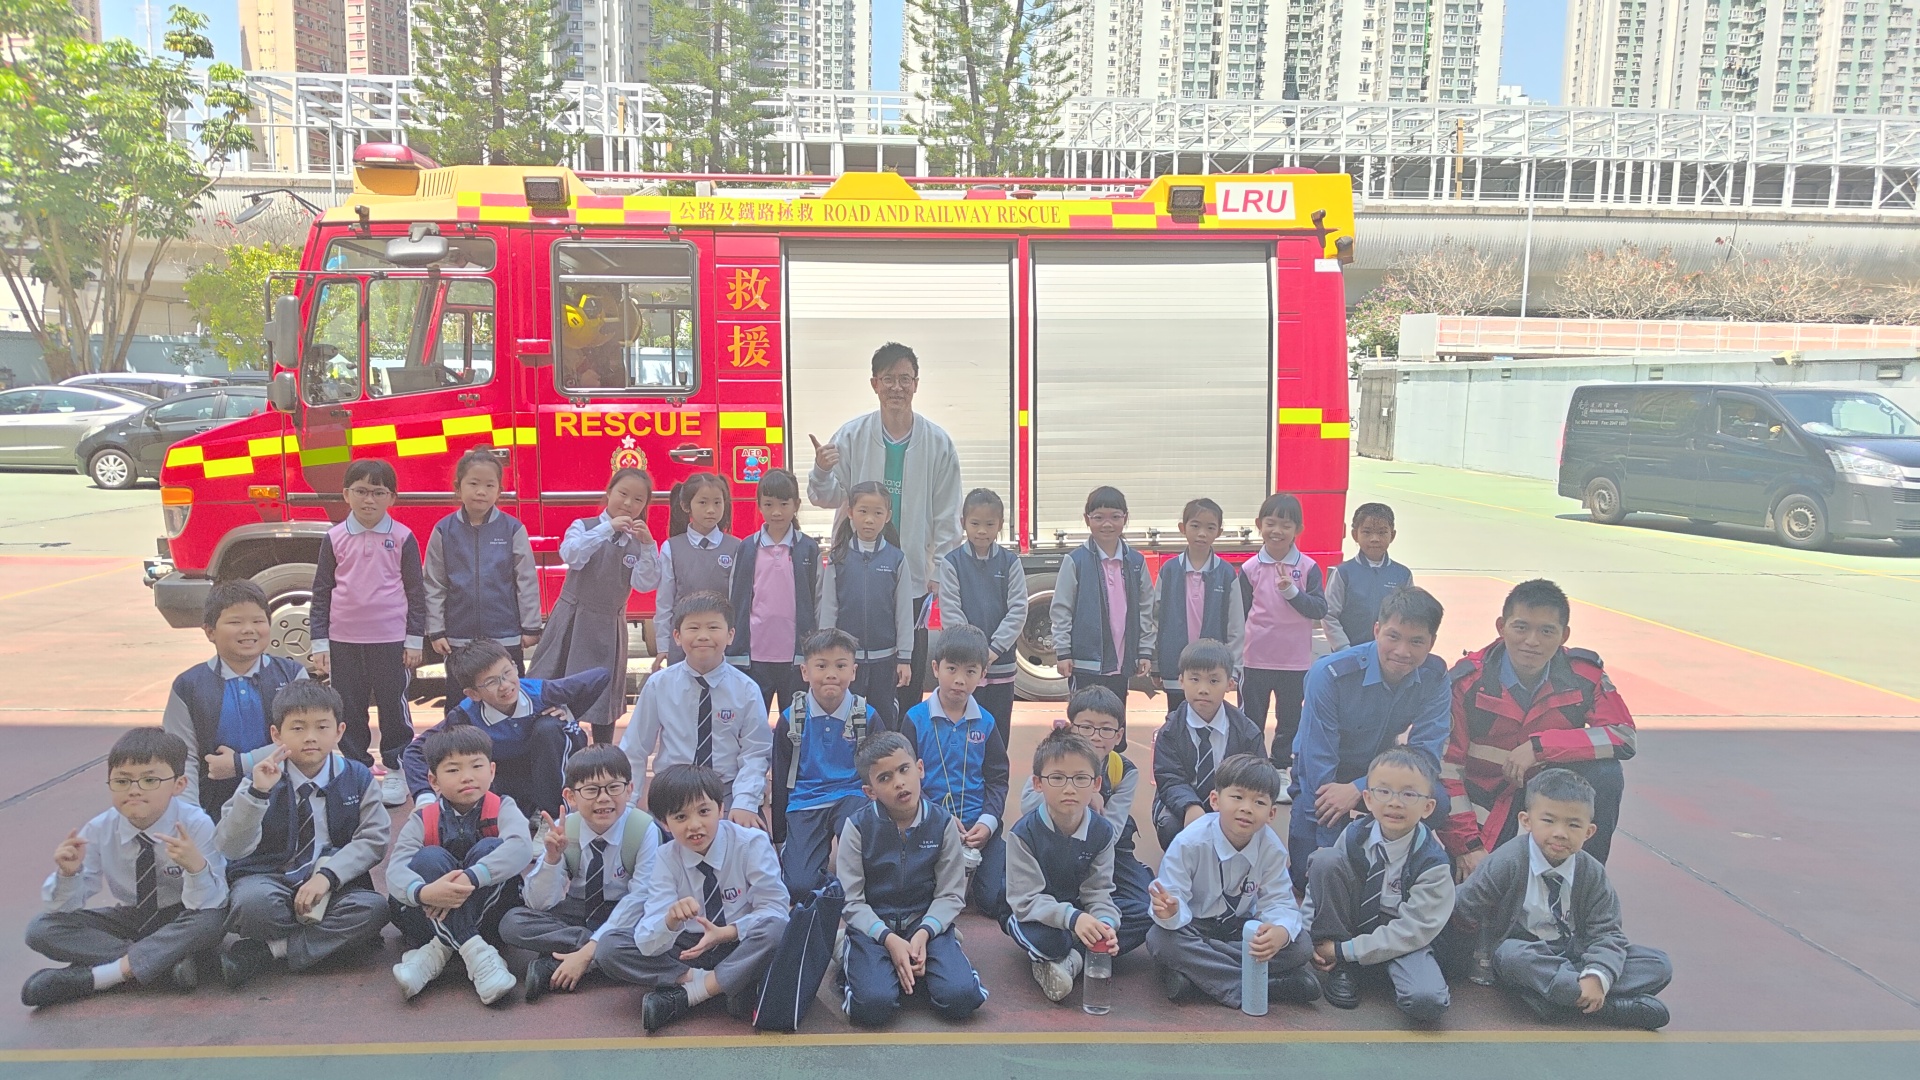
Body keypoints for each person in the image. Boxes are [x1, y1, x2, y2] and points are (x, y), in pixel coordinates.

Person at [808, 342, 965, 722]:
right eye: (889, 379)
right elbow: (825, 497)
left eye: (905, 379)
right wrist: (822, 470)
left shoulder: (937, 443)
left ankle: (901, 750)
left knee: (905, 676)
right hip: (856, 574)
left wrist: (938, 571)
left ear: (916, 384)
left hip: (913, 579)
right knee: (850, 678)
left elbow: (947, 514)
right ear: (874, 384)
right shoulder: (852, 435)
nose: (897, 387)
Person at [1440, 579, 1636, 878]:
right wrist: (1467, 846)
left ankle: (1583, 881)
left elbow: (1623, 735)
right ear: (1501, 627)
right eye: (1521, 627)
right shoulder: (1467, 682)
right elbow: (1446, 769)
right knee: (1479, 894)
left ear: (1564, 635)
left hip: (1550, 798)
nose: (1532, 641)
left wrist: (1539, 747)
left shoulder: (1584, 675)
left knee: (1606, 773)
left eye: (1546, 631)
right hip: (1485, 801)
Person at [1451, 768, 1672, 1030]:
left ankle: (1555, 999)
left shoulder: (1591, 872)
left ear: (1589, 832)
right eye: (1548, 821)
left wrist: (1597, 975)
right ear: (1526, 821)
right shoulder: (1507, 861)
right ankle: (1603, 1005)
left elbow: (1608, 933)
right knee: (1511, 956)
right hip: (1528, 955)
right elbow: (1463, 906)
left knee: (1657, 965)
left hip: (1574, 955)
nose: (1560, 833)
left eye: (1573, 825)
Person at [22, 729, 228, 1008]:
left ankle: (96, 978)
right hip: (133, 917)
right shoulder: (99, 829)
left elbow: (212, 902)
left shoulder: (194, 824)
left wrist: (195, 868)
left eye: (149, 780)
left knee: (211, 921)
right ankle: (164, 964)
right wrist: (68, 875)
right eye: (122, 781)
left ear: (179, 784)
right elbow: (64, 908)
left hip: (181, 915)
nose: (134, 789)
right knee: (41, 928)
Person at [211, 680, 390, 989]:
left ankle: (270, 951)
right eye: (297, 728)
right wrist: (257, 795)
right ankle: (325, 942)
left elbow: (373, 840)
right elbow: (230, 846)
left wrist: (328, 876)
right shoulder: (260, 777)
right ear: (276, 734)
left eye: (322, 727)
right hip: (270, 880)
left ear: (339, 731)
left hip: (333, 886)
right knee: (251, 905)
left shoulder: (357, 776)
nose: (310, 737)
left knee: (373, 910)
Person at [1287, 586, 1450, 889]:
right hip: (1323, 777)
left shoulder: (1436, 676)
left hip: (1382, 775)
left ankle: (1396, 853)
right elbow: (1316, 762)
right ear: (1376, 630)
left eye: (1416, 641)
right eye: (1393, 636)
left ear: (1432, 642)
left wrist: (1363, 787)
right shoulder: (1330, 674)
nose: (1403, 651)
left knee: (1437, 802)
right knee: (1309, 874)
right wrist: (1327, 846)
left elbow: (1426, 755)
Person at [609, 764, 790, 1033]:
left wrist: (727, 933)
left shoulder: (752, 843)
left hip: (739, 942)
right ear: (664, 823)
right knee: (611, 947)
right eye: (680, 817)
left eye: (704, 812)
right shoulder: (665, 857)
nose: (694, 825)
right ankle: (724, 982)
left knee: (777, 930)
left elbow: (775, 910)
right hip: (690, 948)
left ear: (721, 809)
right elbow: (647, 940)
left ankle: (692, 994)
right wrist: (670, 920)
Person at [835, 731, 988, 1027]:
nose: (899, 783)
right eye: (885, 778)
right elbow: (851, 901)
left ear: (919, 768)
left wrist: (926, 932)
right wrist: (888, 939)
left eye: (904, 769)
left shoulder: (943, 824)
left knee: (961, 998)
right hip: (876, 929)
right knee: (873, 1006)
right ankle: (850, 951)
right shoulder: (857, 828)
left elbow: (950, 894)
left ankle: (933, 952)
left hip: (923, 923)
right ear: (870, 791)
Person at [1146, 753, 1320, 1009]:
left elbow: (1279, 902)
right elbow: (1172, 896)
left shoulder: (1271, 848)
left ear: (1271, 813)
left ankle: (1199, 979)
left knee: (1300, 945)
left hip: (1241, 929)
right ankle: (1262, 986)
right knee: (1160, 939)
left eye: (1259, 802)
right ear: (1215, 800)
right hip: (1195, 926)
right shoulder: (1189, 843)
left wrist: (1280, 931)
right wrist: (1170, 911)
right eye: (1237, 797)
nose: (1246, 808)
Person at [386, 726, 537, 1004]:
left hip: (491, 916)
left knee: (491, 848)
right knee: (430, 858)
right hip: (427, 916)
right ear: (433, 780)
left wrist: (471, 877)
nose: (467, 777)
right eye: (453, 770)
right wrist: (422, 892)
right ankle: (475, 951)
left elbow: (521, 848)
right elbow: (395, 870)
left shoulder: (503, 807)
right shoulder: (423, 818)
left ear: (492, 770)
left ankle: (435, 952)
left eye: (477, 766)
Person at [1303, 748, 1454, 1023]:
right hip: (1351, 926)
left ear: (1428, 807)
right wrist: (1307, 936)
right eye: (1384, 792)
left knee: (1426, 1001)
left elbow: (1413, 931)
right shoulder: (1354, 834)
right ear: (1368, 799)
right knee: (1325, 860)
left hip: (1403, 938)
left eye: (1409, 794)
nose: (1395, 803)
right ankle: (1343, 968)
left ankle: (1369, 964)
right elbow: (1318, 891)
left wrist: (1345, 951)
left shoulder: (1433, 862)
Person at [501, 746, 659, 1004]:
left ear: (629, 790)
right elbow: (539, 904)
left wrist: (585, 954)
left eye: (614, 787)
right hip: (578, 912)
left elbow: (640, 898)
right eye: (591, 790)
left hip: (627, 913)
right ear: (571, 796)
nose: (604, 798)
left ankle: (558, 964)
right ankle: (602, 956)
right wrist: (552, 859)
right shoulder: (565, 829)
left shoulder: (643, 829)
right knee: (512, 922)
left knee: (653, 930)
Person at [309, 459, 426, 807]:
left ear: (392, 497)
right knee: (348, 705)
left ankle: (396, 768)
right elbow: (322, 592)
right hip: (343, 640)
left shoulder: (402, 537)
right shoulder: (334, 538)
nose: (369, 500)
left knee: (393, 705)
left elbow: (415, 592)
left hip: (390, 640)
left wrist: (414, 639)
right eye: (361, 491)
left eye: (378, 492)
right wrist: (320, 643)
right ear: (346, 494)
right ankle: (357, 769)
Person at [527, 466, 661, 747]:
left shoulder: (637, 542)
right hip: (573, 620)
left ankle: (603, 757)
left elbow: (646, 583)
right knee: (555, 692)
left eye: (638, 499)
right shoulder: (584, 526)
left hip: (609, 626)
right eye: (623, 494)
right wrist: (606, 528)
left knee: (604, 702)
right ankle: (555, 752)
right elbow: (572, 555)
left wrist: (649, 546)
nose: (629, 503)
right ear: (609, 492)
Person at [622, 591, 772, 832]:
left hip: (725, 791)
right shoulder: (659, 685)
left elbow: (756, 752)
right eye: (693, 628)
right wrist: (627, 805)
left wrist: (744, 802)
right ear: (677, 636)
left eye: (713, 627)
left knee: (753, 842)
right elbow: (635, 748)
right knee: (643, 843)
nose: (703, 636)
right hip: (672, 790)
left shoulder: (746, 690)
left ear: (730, 635)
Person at [403, 641, 602, 821]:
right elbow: (415, 751)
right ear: (473, 694)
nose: (505, 685)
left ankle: (553, 817)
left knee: (547, 728)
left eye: (507, 673)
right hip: (511, 769)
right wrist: (424, 798)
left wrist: (569, 712)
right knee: (499, 808)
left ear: (515, 667)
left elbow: (600, 676)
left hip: (555, 760)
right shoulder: (465, 716)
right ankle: (522, 810)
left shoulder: (540, 693)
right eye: (491, 682)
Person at [1021, 685, 1153, 956]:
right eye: (1086, 727)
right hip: (1053, 847)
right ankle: (1073, 927)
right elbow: (1028, 806)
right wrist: (1083, 793)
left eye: (1106, 729)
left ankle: (1076, 953)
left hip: (1106, 851)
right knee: (1008, 900)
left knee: (1147, 910)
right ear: (1072, 728)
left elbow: (1112, 832)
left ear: (1118, 735)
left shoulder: (1123, 770)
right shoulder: (1054, 758)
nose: (1096, 736)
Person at [161, 580, 307, 821]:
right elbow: (182, 757)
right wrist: (190, 817)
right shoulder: (188, 686)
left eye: (258, 621)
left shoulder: (292, 675)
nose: (248, 629)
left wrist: (241, 764)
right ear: (210, 631)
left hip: (286, 803)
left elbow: (304, 740)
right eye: (235, 622)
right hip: (214, 807)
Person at [1003, 729, 1127, 1003]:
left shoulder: (1102, 832)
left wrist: (1104, 925)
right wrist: (1074, 919)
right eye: (1057, 778)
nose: (1069, 788)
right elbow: (1025, 900)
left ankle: (1072, 961)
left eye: (1081, 778)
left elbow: (1099, 892)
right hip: (1038, 912)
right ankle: (1068, 951)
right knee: (1052, 942)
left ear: (1096, 784)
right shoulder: (1023, 834)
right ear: (1038, 783)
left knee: (1135, 919)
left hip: (1079, 910)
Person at [898, 624, 1010, 922]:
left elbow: (998, 779)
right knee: (913, 896)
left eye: (970, 671)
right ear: (936, 668)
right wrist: (936, 816)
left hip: (976, 828)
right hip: (927, 823)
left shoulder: (986, 722)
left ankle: (979, 871)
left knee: (993, 900)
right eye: (951, 669)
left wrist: (987, 823)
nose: (960, 680)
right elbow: (904, 781)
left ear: (983, 673)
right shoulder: (915, 719)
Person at [769, 627, 881, 896]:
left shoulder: (866, 716)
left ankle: (861, 874)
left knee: (872, 876)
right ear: (805, 672)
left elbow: (881, 769)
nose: (831, 674)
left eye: (840, 666)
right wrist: (780, 836)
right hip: (806, 799)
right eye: (821, 666)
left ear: (853, 671)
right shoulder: (791, 719)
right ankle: (825, 881)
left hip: (853, 796)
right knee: (799, 886)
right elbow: (780, 778)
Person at [424, 448, 542, 673]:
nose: (481, 491)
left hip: (505, 635)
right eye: (473, 483)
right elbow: (434, 583)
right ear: (458, 488)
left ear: (499, 492)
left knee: (507, 690)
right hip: (459, 638)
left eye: (489, 485)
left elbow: (526, 580)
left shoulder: (512, 529)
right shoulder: (443, 530)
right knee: (461, 694)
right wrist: (436, 630)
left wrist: (531, 627)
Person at [1238, 492, 1326, 791]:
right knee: (1251, 718)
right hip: (1256, 658)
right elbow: (1240, 614)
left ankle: (1281, 766)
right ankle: (1251, 766)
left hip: (1294, 661)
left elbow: (1319, 609)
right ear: (1259, 524)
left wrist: (1292, 593)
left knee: (1290, 719)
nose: (1277, 530)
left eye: (1286, 525)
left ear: (1298, 530)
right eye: (1271, 523)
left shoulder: (1308, 567)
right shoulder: (1250, 568)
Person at [1051, 486, 1156, 733]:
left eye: (1115, 517)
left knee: (1114, 724)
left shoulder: (1136, 562)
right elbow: (1062, 609)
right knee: (1085, 724)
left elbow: (1147, 609)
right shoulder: (1075, 561)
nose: (1107, 524)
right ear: (1087, 519)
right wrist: (1063, 652)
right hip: (1085, 662)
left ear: (1125, 518)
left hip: (1122, 662)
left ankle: (1116, 759)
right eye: (1098, 517)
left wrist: (1145, 651)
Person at [818, 481, 916, 732]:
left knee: (882, 724)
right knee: (845, 723)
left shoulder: (896, 559)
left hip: (885, 660)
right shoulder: (839, 558)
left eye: (877, 513)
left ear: (888, 516)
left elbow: (904, 613)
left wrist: (904, 658)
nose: (869, 520)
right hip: (846, 661)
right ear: (850, 512)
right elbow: (829, 608)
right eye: (863, 511)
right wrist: (826, 653)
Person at [1149, 640, 1266, 852]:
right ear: (1181, 681)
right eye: (1194, 679)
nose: (1203, 689)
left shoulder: (1247, 733)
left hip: (1233, 803)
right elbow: (1169, 777)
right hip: (1183, 803)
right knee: (1170, 827)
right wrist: (1189, 806)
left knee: (1256, 832)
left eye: (1214, 680)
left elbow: (1257, 777)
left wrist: (1234, 806)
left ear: (1229, 684)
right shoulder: (1170, 732)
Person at [727, 467, 822, 715]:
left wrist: (815, 648)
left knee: (795, 725)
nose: (776, 512)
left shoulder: (808, 549)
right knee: (752, 722)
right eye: (769, 504)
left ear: (796, 505)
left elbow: (819, 600)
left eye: (784, 504)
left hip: (797, 657)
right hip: (754, 656)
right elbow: (735, 599)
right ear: (759, 505)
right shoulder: (747, 548)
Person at [935, 488, 1028, 732]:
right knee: (964, 728)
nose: (982, 531)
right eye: (975, 523)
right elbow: (951, 611)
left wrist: (993, 651)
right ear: (963, 522)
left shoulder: (1010, 562)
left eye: (989, 524)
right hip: (965, 668)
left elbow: (1018, 610)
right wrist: (974, 654)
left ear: (1000, 525)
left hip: (1001, 664)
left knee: (997, 730)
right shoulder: (951, 562)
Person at [1151, 498, 1244, 713]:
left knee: (1208, 718)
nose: (1202, 533)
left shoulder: (1226, 573)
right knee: (1176, 719)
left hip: (1212, 669)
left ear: (1219, 532)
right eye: (1195, 526)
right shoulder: (1169, 571)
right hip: (1175, 666)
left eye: (1210, 528)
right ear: (1182, 528)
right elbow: (1156, 620)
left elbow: (1236, 626)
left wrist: (1233, 668)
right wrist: (1155, 664)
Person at [655, 473, 740, 669]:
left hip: (721, 643)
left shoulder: (736, 547)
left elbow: (738, 601)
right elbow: (665, 602)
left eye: (717, 503)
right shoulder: (671, 548)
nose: (711, 510)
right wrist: (663, 646)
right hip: (684, 642)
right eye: (703, 502)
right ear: (686, 506)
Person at [1323, 503, 1414, 652]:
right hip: (1349, 653)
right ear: (1355, 535)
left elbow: (1409, 615)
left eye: (1382, 532)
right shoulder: (1344, 573)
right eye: (1367, 532)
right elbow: (1329, 614)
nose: (1374, 539)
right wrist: (1343, 648)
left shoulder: (1403, 574)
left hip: (1389, 654)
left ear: (1392, 535)